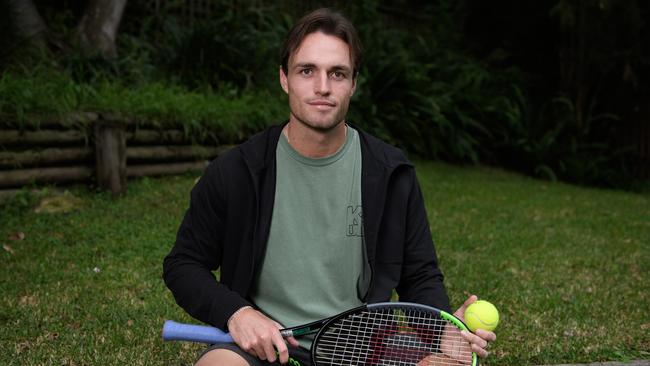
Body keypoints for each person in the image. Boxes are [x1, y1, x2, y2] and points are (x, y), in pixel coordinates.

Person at [163, 8, 496, 366]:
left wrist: (441, 330)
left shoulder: (390, 173)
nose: (323, 87)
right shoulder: (238, 171)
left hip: (366, 349)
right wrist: (237, 313)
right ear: (284, 79)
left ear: (353, 83)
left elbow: (419, 275)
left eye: (337, 73)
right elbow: (183, 264)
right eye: (307, 71)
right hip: (266, 350)